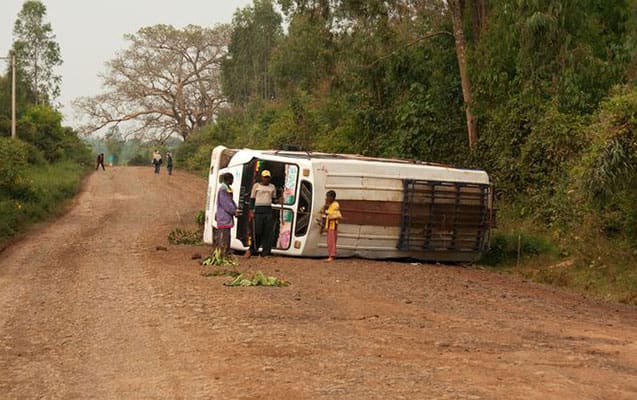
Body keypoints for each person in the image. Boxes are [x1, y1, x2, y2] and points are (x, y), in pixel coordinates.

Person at [248, 170, 278, 257]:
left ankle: (266, 252)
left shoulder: (272, 187)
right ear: (261, 177)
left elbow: (273, 200)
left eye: (268, 177)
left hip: (268, 211)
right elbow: (252, 199)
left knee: (267, 232)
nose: (266, 179)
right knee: (257, 231)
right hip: (258, 211)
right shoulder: (256, 186)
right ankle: (253, 249)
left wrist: (278, 200)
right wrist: (251, 210)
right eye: (265, 177)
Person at [215, 173, 240, 255]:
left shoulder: (227, 188)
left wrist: (236, 208)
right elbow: (226, 203)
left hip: (226, 216)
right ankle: (222, 251)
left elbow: (231, 201)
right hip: (223, 216)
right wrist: (233, 211)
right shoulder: (223, 189)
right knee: (223, 235)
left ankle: (225, 250)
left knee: (227, 234)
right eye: (231, 179)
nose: (232, 181)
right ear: (228, 179)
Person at [320, 190, 342, 262]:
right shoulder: (329, 204)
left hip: (332, 225)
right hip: (329, 225)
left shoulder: (335, 205)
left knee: (331, 241)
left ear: (332, 197)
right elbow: (322, 211)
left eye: (328, 197)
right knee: (329, 241)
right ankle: (330, 255)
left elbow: (332, 214)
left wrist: (326, 211)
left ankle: (332, 256)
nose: (326, 198)